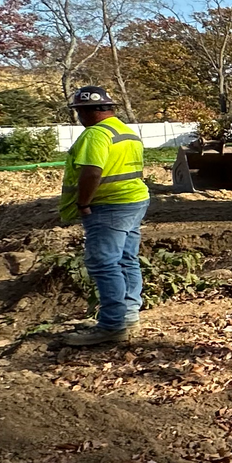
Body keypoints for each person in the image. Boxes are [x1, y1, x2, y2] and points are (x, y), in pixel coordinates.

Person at [57, 86, 150, 347]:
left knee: (104, 263)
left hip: (108, 205)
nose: (79, 117)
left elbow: (92, 173)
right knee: (126, 259)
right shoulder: (126, 131)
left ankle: (112, 325)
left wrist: (83, 202)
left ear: (87, 111)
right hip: (133, 200)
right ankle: (128, 316)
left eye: (79, 112)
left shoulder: (96, 135)